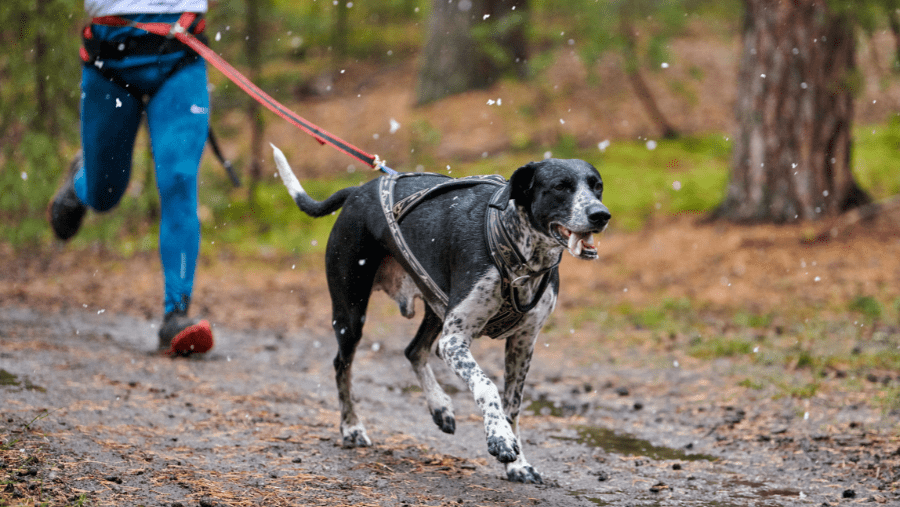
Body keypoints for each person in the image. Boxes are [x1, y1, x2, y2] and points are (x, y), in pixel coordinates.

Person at [49, 0, 214, 356]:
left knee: (180, 179)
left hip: (181, 55)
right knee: (105, 193)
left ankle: (176, 314)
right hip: (109, 58)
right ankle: (83, 184)